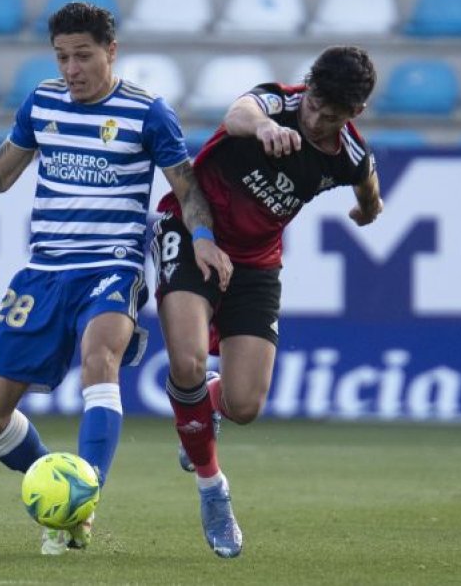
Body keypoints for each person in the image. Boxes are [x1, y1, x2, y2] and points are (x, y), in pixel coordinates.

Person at [0, 2, 232, 555]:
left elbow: (187, 188)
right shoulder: (43, 102)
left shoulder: (149, 113)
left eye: (82, 56)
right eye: (61, 57)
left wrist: (201, 239)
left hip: (112, 264)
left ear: (111, 51)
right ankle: (63, 498)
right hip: (44, 271)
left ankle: (85, 495)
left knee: (100, 357)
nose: (71, 69)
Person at [151, 45, 383, 558]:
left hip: (257, 262)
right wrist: (263, 129)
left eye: (332, 115)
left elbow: (367, 182)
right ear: (309, 87)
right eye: (315, 104)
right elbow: (240, 112)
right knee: (186, 361)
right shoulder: (277, 106)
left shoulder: (348, 153)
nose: (316, 119)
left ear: (355, 114)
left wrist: (367, 209)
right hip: (194, 229)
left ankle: (208, 402)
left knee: (245, 406)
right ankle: (214, 490)